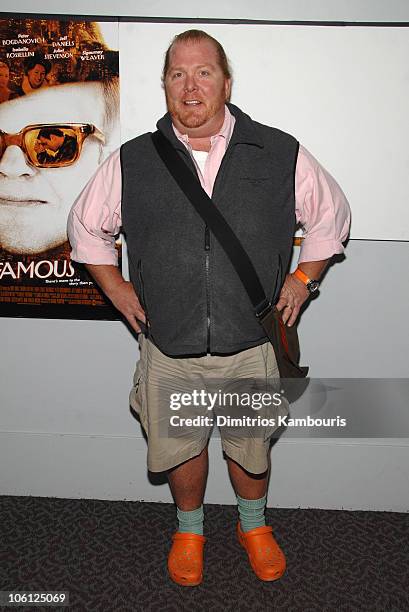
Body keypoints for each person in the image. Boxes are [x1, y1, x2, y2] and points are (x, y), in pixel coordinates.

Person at [67, 29, 351, 586]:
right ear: (165, 85)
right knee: (180, 446)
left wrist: (302, 278)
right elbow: (85, 225)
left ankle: (254, 525)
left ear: (225, 82)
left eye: (203, 72)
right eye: (177, 73)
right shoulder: (135, 159)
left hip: (250, 346)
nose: (189, 85)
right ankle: (190, 529)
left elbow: (331, 216)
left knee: (250, 449)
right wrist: (119, 290)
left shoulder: (278, 150)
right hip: (170, 347)